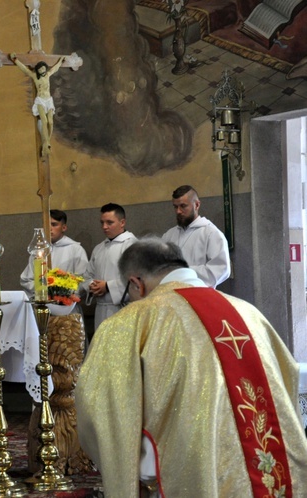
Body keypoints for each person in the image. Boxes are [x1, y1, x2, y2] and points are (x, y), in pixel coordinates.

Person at [75, 237, 307, 497]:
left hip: (184, 480)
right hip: (273, 478)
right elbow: (288, 384)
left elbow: (98, 411)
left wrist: (140, 472)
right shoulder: (250, 314)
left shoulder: (132, 322)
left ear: (135, 283)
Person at [80, 203, 136, 332]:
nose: (104, 227)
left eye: (109, 222)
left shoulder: (132, 246)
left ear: (122, 222)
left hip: (122, 309)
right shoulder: (99, 248)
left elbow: (137, 279)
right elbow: (87, 275)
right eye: (102, 222)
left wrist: (107, 286)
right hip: (100, 309)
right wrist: (92, 285)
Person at [161, 185, 231, 287]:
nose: (178, 211)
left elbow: (220, 269)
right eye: (175, 207)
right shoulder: (169, 235)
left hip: (199, 295)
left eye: (183, 206)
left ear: (197, 205)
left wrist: (181, 271)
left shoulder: (211, 233)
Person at [20, 209, 88, 299]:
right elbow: (26, 279)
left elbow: (83, 280)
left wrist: (61, 293)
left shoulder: (76, 250)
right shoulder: (38, 251)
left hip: (67, 305)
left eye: (54, 224)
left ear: (64, 227)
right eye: (46, 225)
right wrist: (45, 289)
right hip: (42, 302)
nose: (49, 229)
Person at [10, 53, 64, 156]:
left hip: (48, 100)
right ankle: (46, 142)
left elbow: (55, 68)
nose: (42, 70)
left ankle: (47, 141)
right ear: (38, 70)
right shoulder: (35, 77)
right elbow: (25, 69)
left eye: (43, 68)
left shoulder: (47, 75)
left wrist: (60, 61)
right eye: (40, 69)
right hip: (40, 100)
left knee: (51, 122)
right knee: (44, 121)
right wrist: (16, 60)